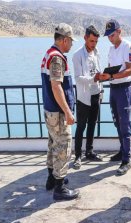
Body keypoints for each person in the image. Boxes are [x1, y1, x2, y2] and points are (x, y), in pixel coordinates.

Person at [41, 23, 80, 201]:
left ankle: (52, 178)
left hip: (50, 111)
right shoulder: (57, 58)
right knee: (63, 147)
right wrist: (68, 112)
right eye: (70, 41)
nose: (71, 44)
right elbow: (56, 86)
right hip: (58, 113)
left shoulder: (49, 54)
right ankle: (60, 187)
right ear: (64, 40)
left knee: (53, 145)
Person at [99, 19, 131, 175]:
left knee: (125, 125)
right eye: (108, 35)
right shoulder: (111, 49)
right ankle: (122, 150)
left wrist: (111, 75)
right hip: (113, 88)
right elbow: (111, 70)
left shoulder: (128, 46)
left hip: (124, 89)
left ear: (119, 31)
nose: (110, 38)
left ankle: (127, 159)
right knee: (117, 123)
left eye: (112, 35)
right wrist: (105, 76)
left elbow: (129, 71)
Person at [72, 25, 103, 169]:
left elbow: (98, 71)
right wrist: (93, 79)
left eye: (96, 41)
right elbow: (78, 78)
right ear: (85, 38)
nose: (93, 44)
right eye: (91, 41)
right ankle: (77, 155)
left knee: (92, 124)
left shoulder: (97, 52)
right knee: (81, 126)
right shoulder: (77, 55)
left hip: (96, 94)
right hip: (84, 97)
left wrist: (101, 81)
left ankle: (89, 152)